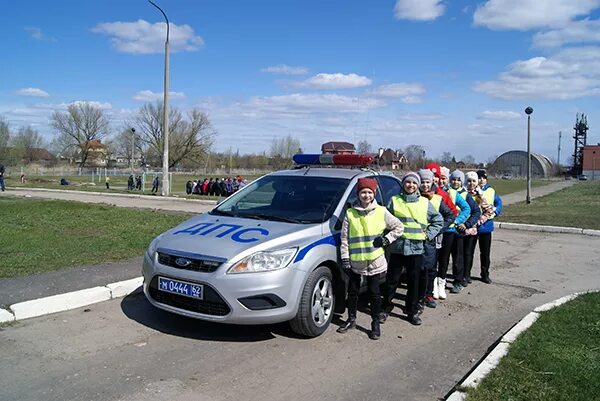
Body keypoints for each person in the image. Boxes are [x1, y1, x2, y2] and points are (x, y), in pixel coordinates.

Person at [337, 178, 403, 340]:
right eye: (362, 192)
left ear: (373, 194)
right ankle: (351, 319)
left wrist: (386, 240)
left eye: (369, 192)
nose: (366, 195)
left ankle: (375, 323)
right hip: (355, 261)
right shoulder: (350, 213)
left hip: (375, 261)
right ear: (358, 194)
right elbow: (344, 238)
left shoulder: (381, 211)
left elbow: (399, 227)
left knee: (374, 293)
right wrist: (345, 258)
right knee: (352, 292)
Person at [381, 172, 443, 326]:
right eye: (408, 182)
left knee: (414, 282)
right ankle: (386, 306)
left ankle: (412, 311)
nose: (411, 185)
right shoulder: (394, 201)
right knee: (391, 281)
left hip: (416, 249)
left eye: (414, 183)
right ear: (403, 184)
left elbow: (438, 220)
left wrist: (428, 235)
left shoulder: (424, 202)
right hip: (397, 248)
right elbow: (385, 222)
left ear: (418, 185)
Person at [417, 169, 455, 309]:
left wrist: (437, 230)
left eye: (428, 182)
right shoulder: (413, 197)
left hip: (432, 240)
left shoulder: (438, 199)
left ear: (432, 182)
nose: (425, 185)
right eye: (422, 182)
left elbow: (451, 215)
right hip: (415, 239)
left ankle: (428, 294)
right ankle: (417, 296)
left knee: (430, 268)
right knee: (417, 270)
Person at [445, 170, 480, 294]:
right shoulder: (446, 192)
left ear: (462, 182)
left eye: (459, 180)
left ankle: (458, 281)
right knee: (443, 259)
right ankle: (440, 281)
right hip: (446, 231)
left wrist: (466, 224)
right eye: (454, 179)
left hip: (459, 232)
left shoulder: (465, 195)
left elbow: (476, 212)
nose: (456, 182)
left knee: (458, 258)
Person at [474, 169, 503, 284]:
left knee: (485, 253)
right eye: (479, 178)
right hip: (473, 225)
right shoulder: (472, 190)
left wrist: (495, 212)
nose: (481, 180)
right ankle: (465, 274)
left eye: (483, 178)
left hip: (486, 226)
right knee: (468, 253)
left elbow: (498, 203)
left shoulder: (491, 191)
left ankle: (485, 274)